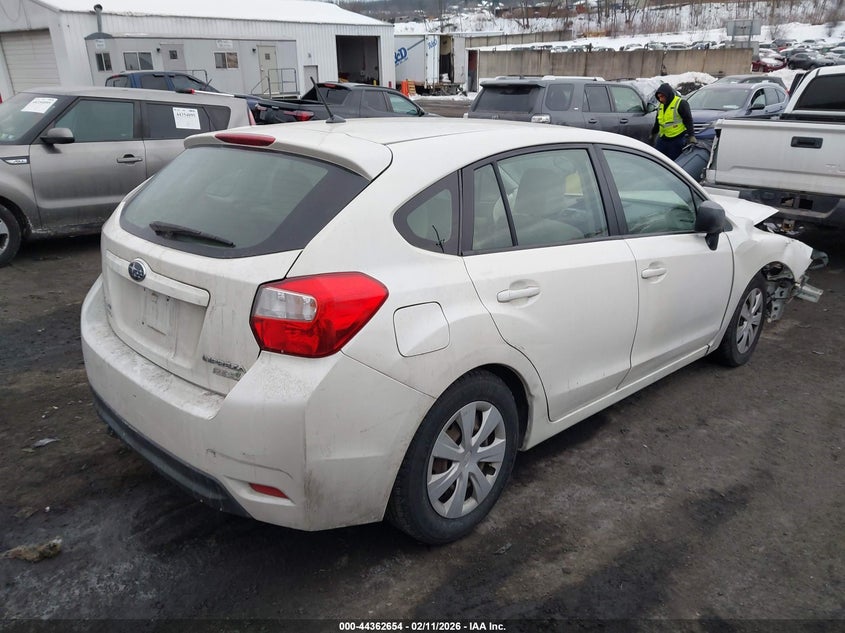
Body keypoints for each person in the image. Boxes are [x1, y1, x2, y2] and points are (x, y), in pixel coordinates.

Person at [650, 82, 695, 161]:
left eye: (662, 97)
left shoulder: (680, 103)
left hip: (676, 139)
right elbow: (658, 122)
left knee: (672, 162)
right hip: (663, 138)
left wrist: (691, 135)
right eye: (659, 97)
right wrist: (653, 134)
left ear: (668, 95)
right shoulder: (661, 106)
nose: (661, 99)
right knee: (657, 160)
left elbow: (688, 120)